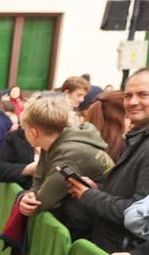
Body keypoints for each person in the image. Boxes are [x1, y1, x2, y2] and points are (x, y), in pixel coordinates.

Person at [67, 68, 149, 255]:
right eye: (128, 95)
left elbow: (137, 215)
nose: (132, 102)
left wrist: (89, 196)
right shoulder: (137, 138)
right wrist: (99, 188)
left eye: (143, 95)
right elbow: (130, 195)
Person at [15, 94, 114, 239]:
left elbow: (44, 201)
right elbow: (38, 182)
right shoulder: (52, 143)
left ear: (33, 133)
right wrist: (26, 196)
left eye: (23, 129)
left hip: (96, 225)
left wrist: (27, 199)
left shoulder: (70, 153)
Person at [83, 89, 129, 162]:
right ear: (119, 118)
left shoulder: (78, 137)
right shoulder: (124, 151)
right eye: (127, 117)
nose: (130, 122)